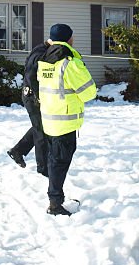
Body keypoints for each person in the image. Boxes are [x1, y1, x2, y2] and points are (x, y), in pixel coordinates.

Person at [38, 23, 97, 216]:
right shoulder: (69, 63)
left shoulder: (44, 60)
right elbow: (89, 92)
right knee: (59, 163)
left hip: (48, 119)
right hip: (65, 121)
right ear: (69, 39)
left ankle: (56, 197)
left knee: (54, 161)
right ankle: (55, 204)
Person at [7, 38, 50, 176]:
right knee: (41, 131)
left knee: (41, 126)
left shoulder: (44, 50)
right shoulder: (40, 52)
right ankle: (43, 168)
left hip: (35, 96)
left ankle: (17, 151)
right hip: (32, 97)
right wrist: (38, 96)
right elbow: (31, 75)